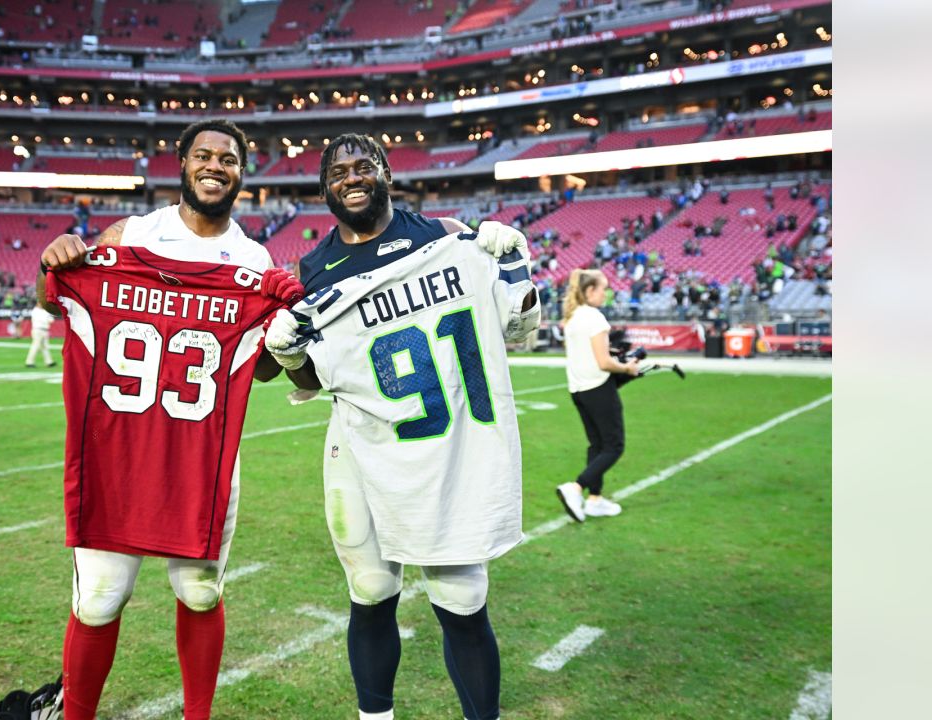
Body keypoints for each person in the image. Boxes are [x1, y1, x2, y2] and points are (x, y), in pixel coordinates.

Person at [264, 133, 537, 720]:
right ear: (324, 188)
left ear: (387, 172)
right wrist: (291, 357)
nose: (353, 177)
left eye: (365, 166)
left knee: (463, 599)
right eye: (339, 171)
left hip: (452, 451)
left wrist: (514, 267)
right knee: (370, 592)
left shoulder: (448, 240)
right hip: (362, 446)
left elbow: (517, 334)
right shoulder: (315, 269)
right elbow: (316, 377)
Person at [36, 119, 302, 720]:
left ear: (241, 172)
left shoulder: (255, 262)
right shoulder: (128, 236)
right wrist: (52, 261)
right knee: (100, 600)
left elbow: (258, 372)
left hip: (200, 460)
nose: (215, 166)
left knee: (199, 592)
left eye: (228, 159)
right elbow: (53, 295)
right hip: (117, 454)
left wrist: (282, 322)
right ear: (181, 162)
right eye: (203, 155)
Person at [554, 269, 639, 523]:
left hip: (578, 390)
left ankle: (595, 500)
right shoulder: (594, 317)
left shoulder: (572, 317)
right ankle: (577, 488)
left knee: (597, 445)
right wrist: (628, 367)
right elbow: (603, 362)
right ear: (590, 291)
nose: (606, 293)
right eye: (603, 288)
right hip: (598, 388)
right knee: (613, 446)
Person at [25, 300, 56, 368]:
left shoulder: (44, 311)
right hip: (38, 330)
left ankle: (49, 362)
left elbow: (51, 320)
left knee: (45, 347)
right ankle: (29, 362)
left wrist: (48, 318)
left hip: (45, 330)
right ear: (38, 304)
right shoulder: (35, 311)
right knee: (35, 346)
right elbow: (45, 320)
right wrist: (48, 318)